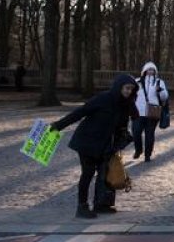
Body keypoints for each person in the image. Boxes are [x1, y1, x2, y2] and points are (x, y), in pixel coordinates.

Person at [50, 74, 137, 218]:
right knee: (88, 173)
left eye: (131, 89)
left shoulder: (125, 104)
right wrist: (58, 126)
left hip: (104, 145)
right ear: (119, 86)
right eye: (127, 88)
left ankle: (101, 204)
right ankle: (82, 207)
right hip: (87, 142)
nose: (129, 91)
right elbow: (80, 112)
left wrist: (122, 138)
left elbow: (123, 125)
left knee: (104, 174)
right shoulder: (103, 98)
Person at [132, 61, 170, 162]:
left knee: (149, 135)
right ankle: (138, 150)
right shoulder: (137, 81)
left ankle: (147, 155)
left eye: (152, 70)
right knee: (136, 133)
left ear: (155, 71)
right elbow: (132, 95)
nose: (150, 71)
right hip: (138, 112)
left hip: (152, 113)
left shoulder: (159, 82)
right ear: (144, 70)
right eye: (149, 69)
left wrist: (160, 90)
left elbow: (165, 97)